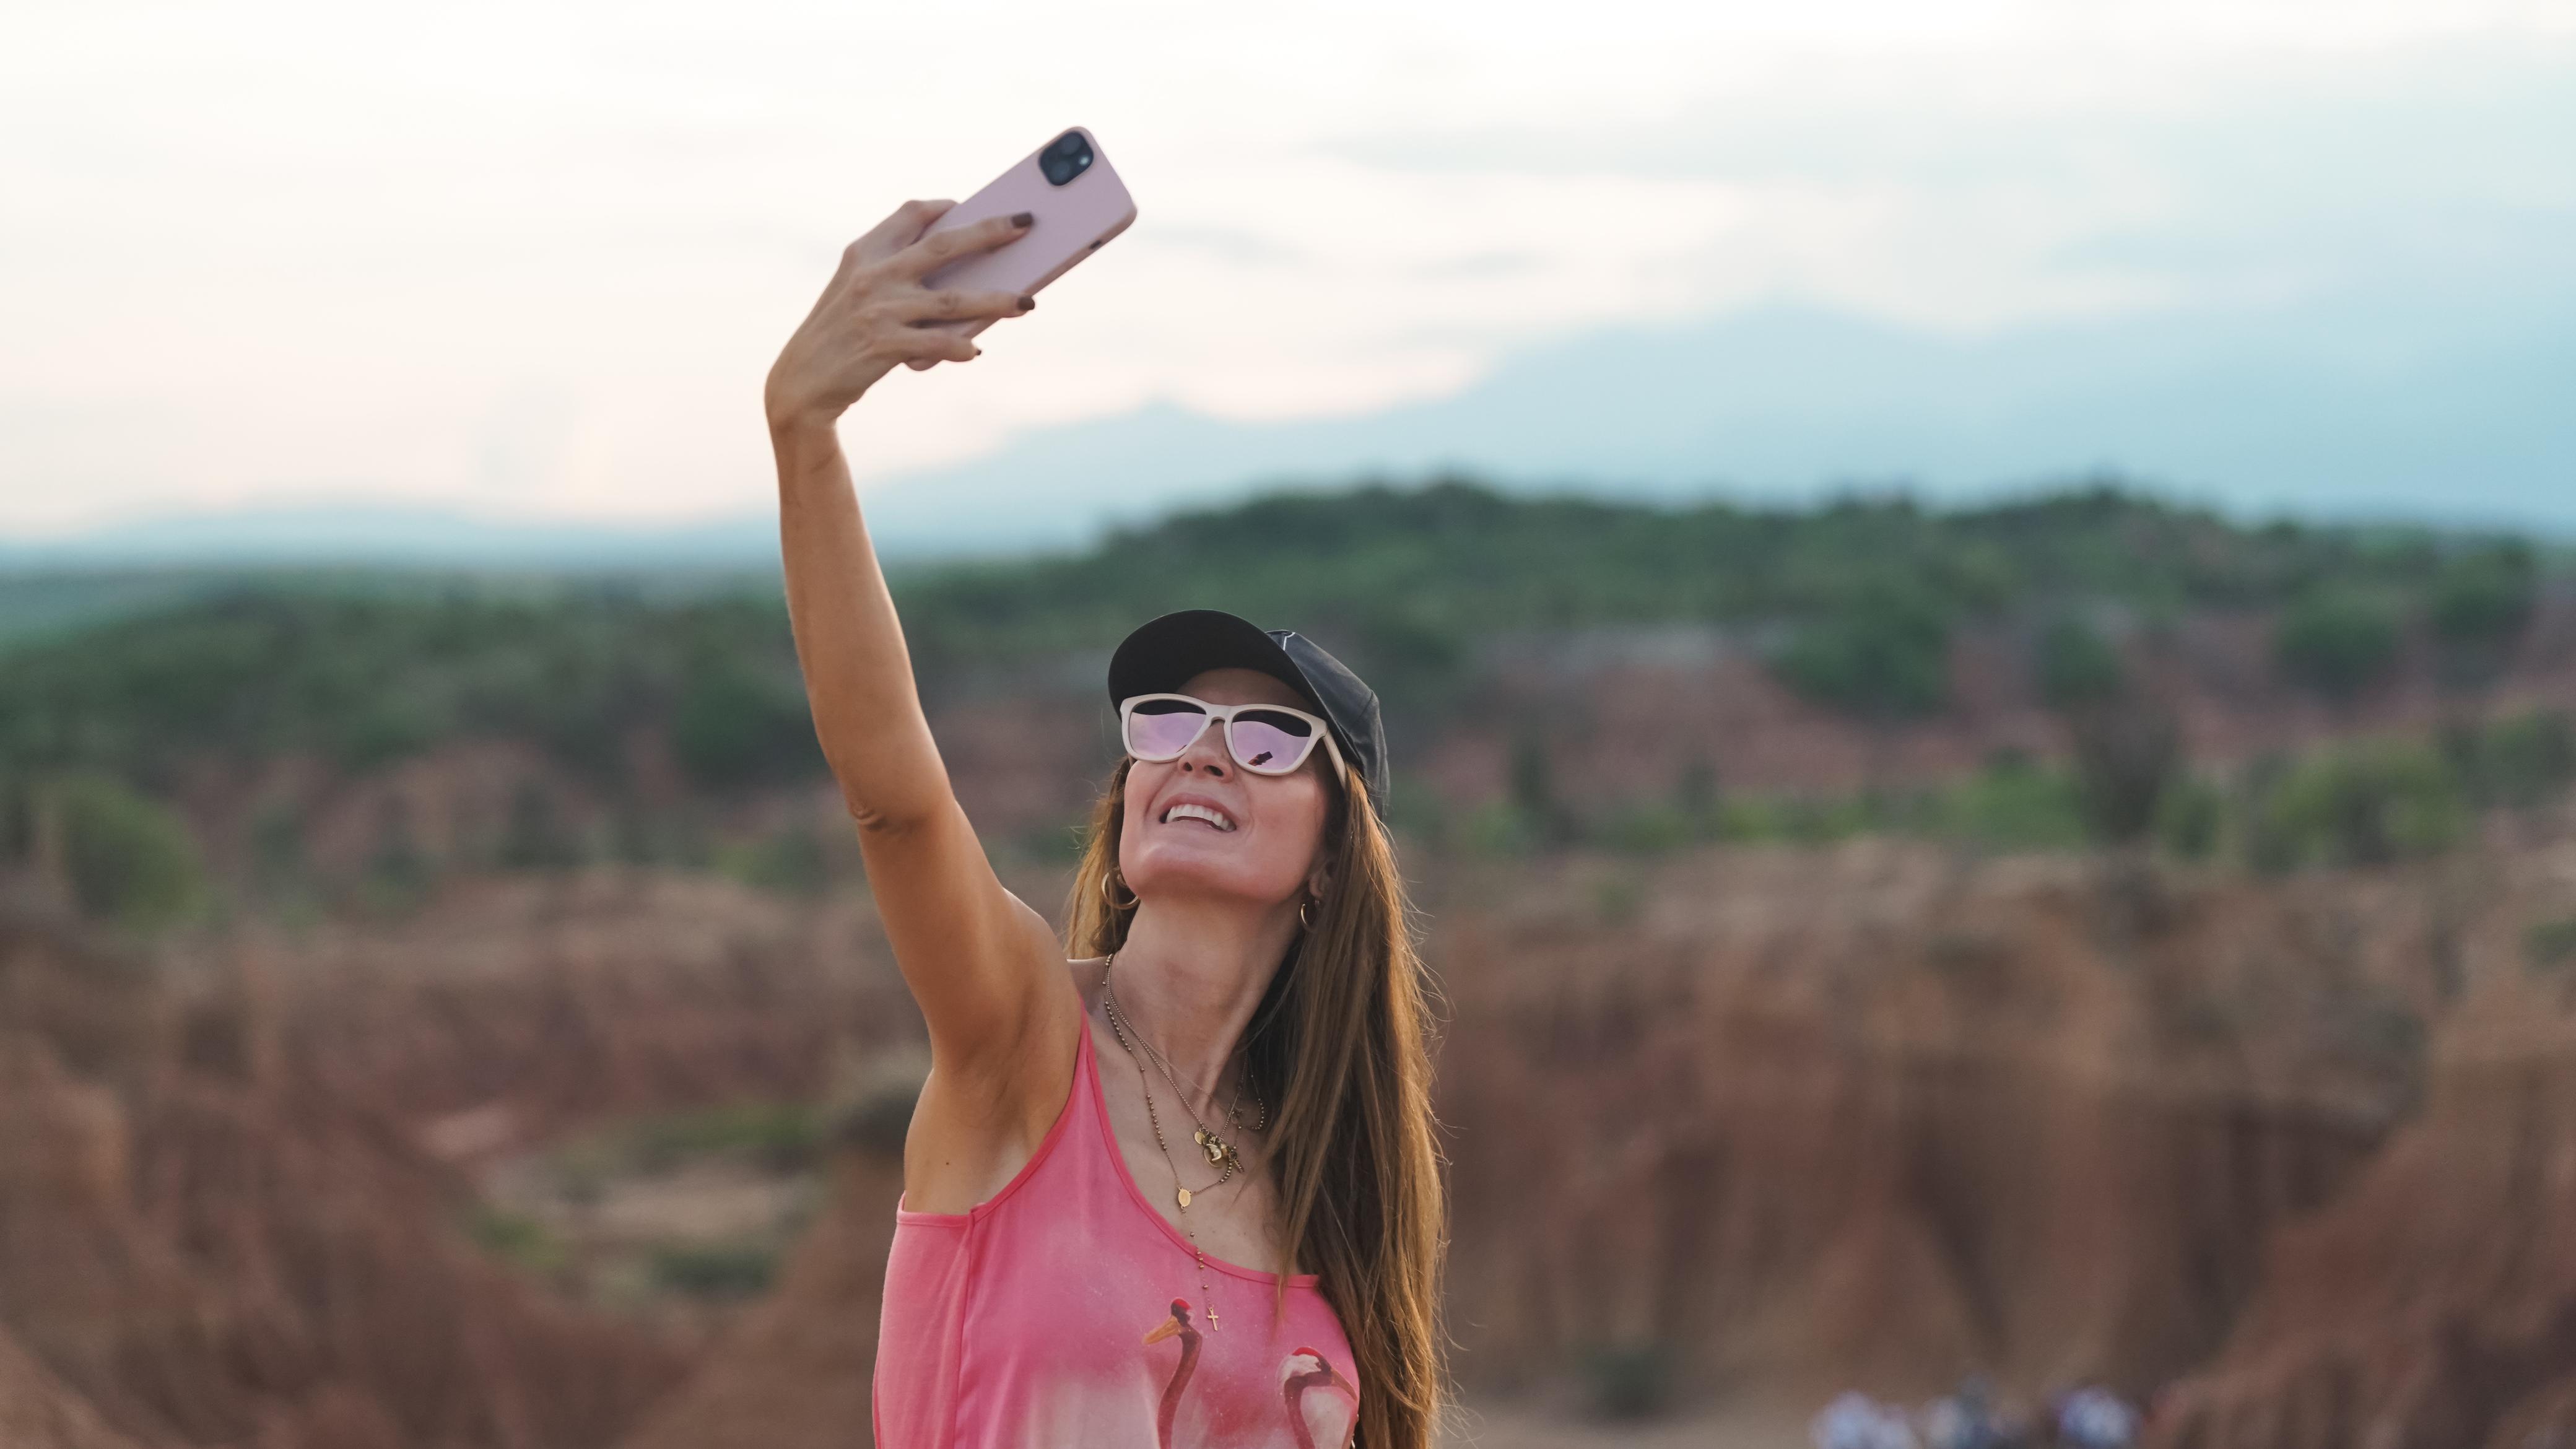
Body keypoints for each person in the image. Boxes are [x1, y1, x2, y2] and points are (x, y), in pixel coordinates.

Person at [763, 199, 1446, 1449]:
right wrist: (804, 431)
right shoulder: (1024, 1041)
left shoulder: (1327, 1191)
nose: (1199, 750)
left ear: (1333, 859)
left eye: (1266, 738)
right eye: (1169, 718)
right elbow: (896, 800)